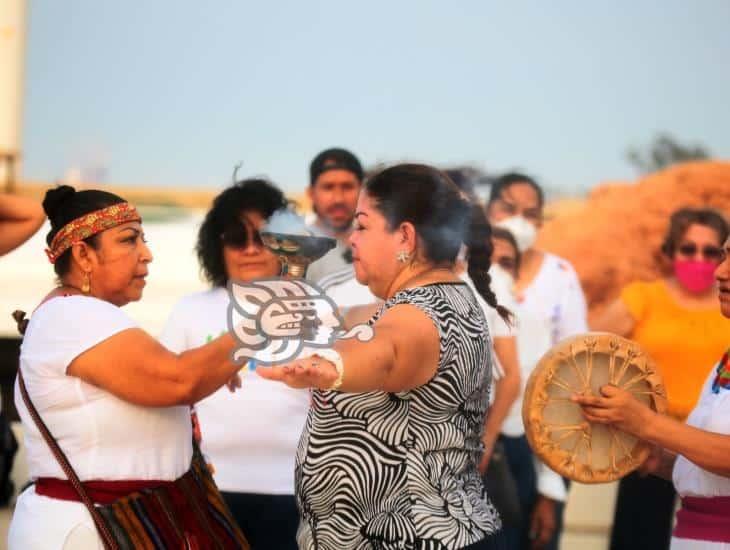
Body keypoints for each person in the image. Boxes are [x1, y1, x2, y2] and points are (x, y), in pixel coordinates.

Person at [258, 163, 508, 549]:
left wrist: (332, 368)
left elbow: (386, 351)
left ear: (404, 236)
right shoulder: (441, 297)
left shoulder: (417, 316)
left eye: (362, 225)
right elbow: (362, 321)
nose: (351, 240)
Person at [8, 185, 248, 549]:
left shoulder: (73, 315)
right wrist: (257, 328)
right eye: (129, 240)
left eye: (143, 240)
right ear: (84, 254)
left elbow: (174, 374)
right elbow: (178, 381)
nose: (147, 255)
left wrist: (216, 362)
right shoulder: (74, 314)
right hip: (88, 531)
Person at [160, 178, 308, 549]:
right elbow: (166, 395)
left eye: (261, 238)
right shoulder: (189, 311)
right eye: (235, 238)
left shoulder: (317, 309)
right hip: (207, 493)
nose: (249, 250)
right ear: (217, 245)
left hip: (294, 495)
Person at [574, 232, 730, 549]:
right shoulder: (723, 362)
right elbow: (708, 476)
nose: (720, 271)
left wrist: (646, 422)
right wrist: (653, 456)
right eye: (725, 256)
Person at [486, 172, 589, 550]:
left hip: (535, 447)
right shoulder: (464, 274)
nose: (519, 220)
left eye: (530, 213)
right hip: (474, 447)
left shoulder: (559, 276)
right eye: (508, 209)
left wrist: (552, 486)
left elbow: (571, 382)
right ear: (488, 209)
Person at [305, 147, 364, 285]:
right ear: (311, 193)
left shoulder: (379, 242)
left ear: (362, 191)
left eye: (347, 187)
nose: (338, 199)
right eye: (328, 187)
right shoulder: (295, 248)